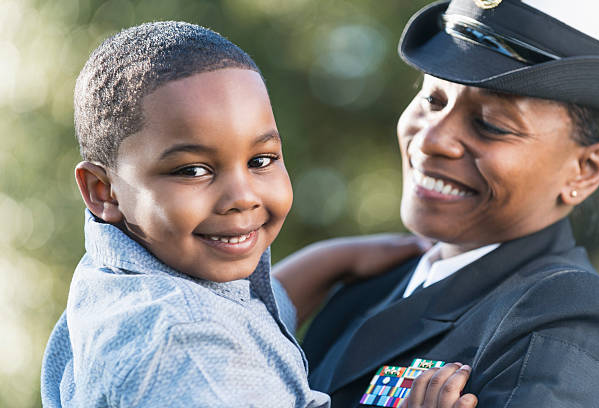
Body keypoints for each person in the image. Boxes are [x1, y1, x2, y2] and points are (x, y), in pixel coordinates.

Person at [39, 21, 434, 407]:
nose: (242, 197)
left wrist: (336, 261)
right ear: (102, 191)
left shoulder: (122, 275)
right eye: (193, 170)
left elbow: (242, 307)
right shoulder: (186, 351)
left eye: (261, 160)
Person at [273, 0, 599, 407]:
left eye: (490, 125)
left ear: (585, 169)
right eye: (433, 100)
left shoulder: (564, 318)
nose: (430, 140)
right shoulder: (368, 287)